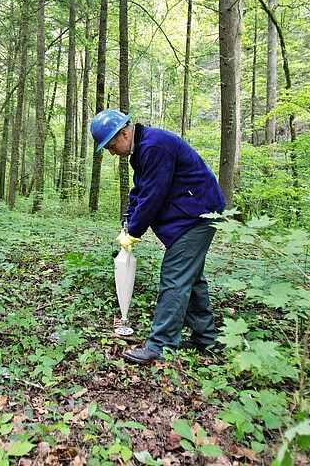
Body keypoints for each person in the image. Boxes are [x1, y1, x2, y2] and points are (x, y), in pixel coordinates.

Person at [90, 110, 226, 364]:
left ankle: (161, 346)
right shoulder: (143, 150)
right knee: (191, 278)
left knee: (175, 278)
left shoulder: (155, 146)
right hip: (190, 215)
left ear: (123, 133)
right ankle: (205, 339)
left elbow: (154, 195)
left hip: (198, 216)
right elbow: (140, 190)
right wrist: (128, 220)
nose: (111, 152)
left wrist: (134, 232)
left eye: (111, 146)